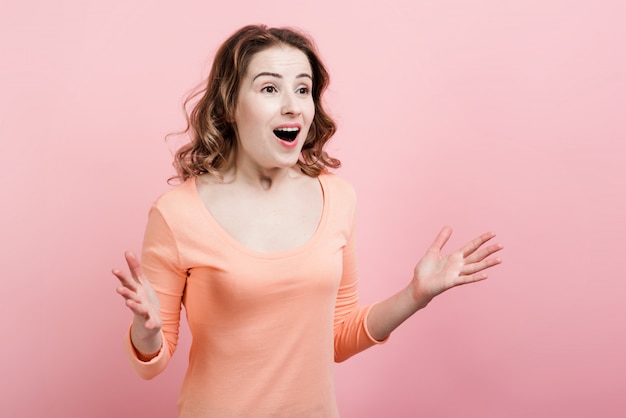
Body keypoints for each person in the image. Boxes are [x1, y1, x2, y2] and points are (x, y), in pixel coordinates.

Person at [112, 24, 503, 418]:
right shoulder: (177, 214)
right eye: (269, 89)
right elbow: (153, 362)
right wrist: (146, 331)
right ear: (229, 106)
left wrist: (415, 295)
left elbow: (338, 337)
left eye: (303, 89)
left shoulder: (337, 198)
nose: (293, 106)